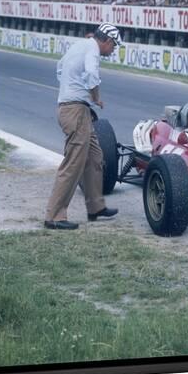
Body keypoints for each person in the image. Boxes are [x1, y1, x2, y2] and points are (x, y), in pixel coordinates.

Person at [44, 23, 121, 230]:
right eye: (113, 45)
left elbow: (60, 68)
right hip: (75, 111)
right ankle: (54, 216)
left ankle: (95, 207)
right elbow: (91, 76)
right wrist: (95, 98)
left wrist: (71, 90)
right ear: (106, 40)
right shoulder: (93, 51)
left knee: (95, 156)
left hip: (76, 108)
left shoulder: (80, 45)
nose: (113, 50)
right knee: (73, 164)